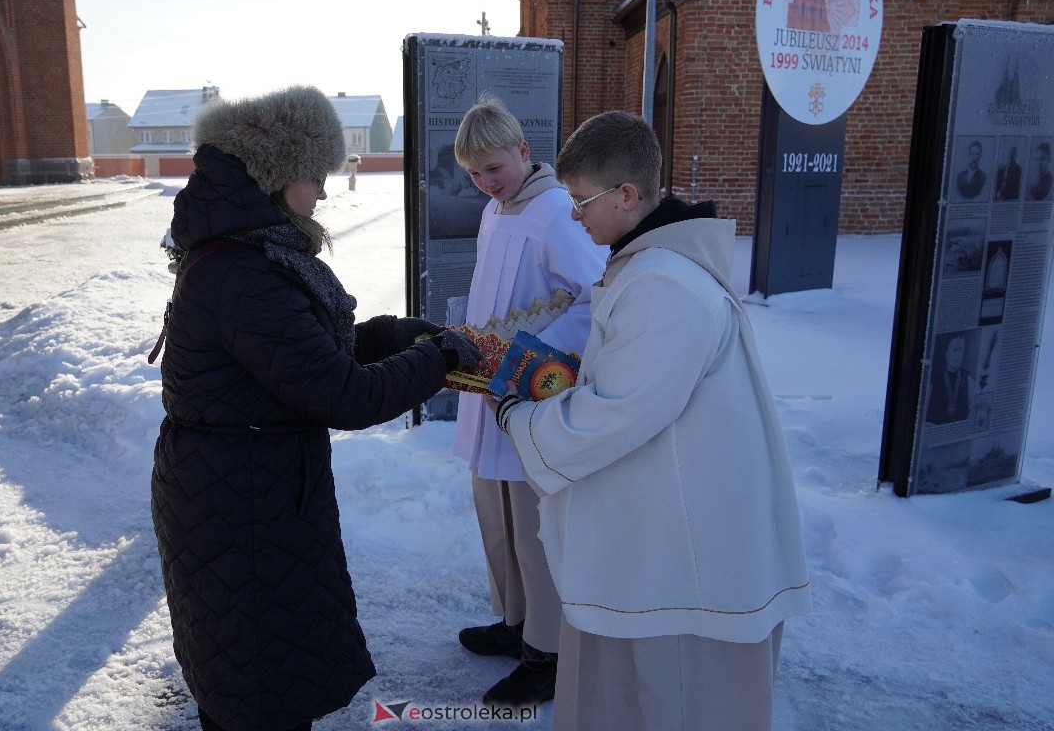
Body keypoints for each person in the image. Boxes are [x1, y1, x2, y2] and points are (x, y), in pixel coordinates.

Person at [151, 85, 482, 731]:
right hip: (241, 504)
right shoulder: (243, 273)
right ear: (276, 177)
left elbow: (299, 359)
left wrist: (392, 337)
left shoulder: (249, 254)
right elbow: (341, 393)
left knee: (252, 676)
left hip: (245, 487)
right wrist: (437, 359)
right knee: (258, 688)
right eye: (315, 176)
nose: (326, 192)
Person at [491, 110, 812, 731]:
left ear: (628, 194)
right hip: (663, 529)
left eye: (581, 200)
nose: (574, 215)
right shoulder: (649, 265)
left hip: (684, 557)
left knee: (677, 698)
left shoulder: (664, 284)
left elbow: (619, 410)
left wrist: (522, 417)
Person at [451, 96, 607, 707]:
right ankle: (514, 621)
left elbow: (595, 297)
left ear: (523, 150)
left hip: (528, 392)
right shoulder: (499, 210)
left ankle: (546, 651)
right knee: (497, 514)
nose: (486, 182)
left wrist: (530, 357)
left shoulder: (555, 212)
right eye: (473, 174)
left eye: (494, 167)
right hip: (488, 388)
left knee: (535, 528)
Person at [926, 333, 973, 424]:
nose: (958, 355)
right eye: (954, 350)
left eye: (960, 350)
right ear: (947, 353)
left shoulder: (969, 379)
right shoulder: (934, 380)